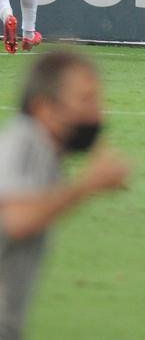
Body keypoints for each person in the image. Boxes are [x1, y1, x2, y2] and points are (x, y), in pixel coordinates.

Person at [0, 50, 132, 339]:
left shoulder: (45, 154)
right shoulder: (25, 142)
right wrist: (87, 186)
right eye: (86, 100)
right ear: (44, 108)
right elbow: (16, 220)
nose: (98, 113)